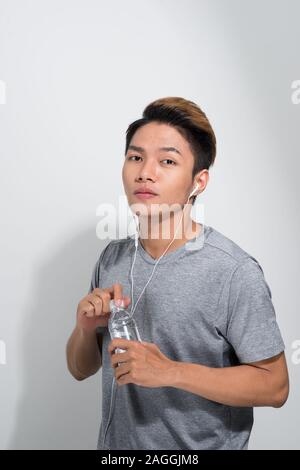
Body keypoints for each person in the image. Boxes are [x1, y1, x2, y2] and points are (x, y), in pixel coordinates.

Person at [66, 96, 289, 450]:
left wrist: (169, 371)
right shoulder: (112, 258)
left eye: (167, 161)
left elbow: (276, 387)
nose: (145, 172)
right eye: (135, 157)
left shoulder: (232, 271)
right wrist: (85, 327)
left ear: (198, 182)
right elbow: (80, 369)